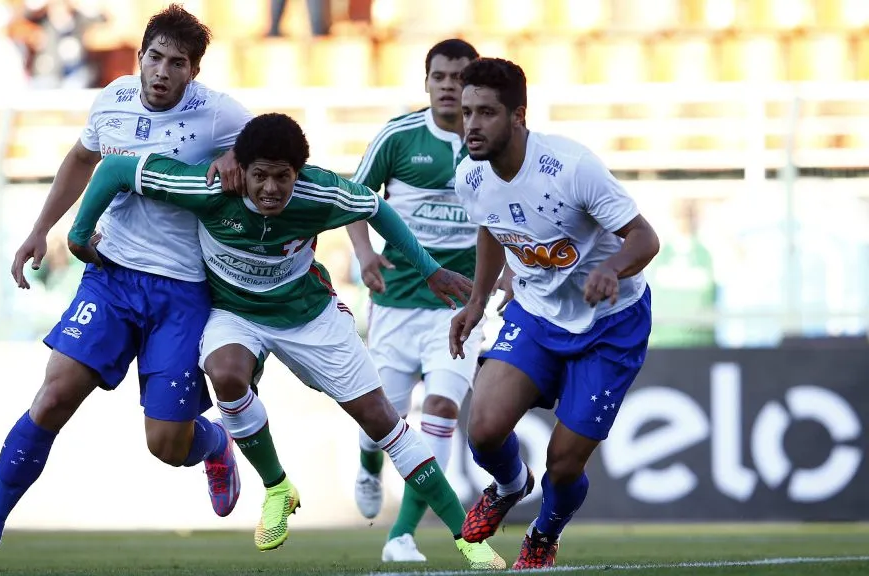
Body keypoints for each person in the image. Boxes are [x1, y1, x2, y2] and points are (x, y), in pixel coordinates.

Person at [66, 113, 507, 570]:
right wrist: (79, 235)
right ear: (242, 169)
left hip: (308, 315)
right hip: (235, 313)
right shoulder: (209, 187)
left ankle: (467, 539)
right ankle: (277, 486)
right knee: (226, 374)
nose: (271, 188)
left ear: (300, 173)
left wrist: (429, 269)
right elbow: (116, 170)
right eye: (260, 176)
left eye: (283, 177)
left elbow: (376, 208)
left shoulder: (322, 191)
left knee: (381, 420)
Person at [0, 6, 252, 572]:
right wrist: (41, 230)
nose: (162, 71)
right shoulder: (111, 99)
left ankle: (214, 446)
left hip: (183, 293)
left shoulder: (219, 115)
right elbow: (83, 158)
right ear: (139, 58)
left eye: (176, 63)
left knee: (166, 444)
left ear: (193, 73)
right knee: (54, 395)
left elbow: (270, 149)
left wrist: (240, 153)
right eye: (154, 57)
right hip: (110, 277)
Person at [448, 58, 660, 569]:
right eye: (467, 112)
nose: (472, 125)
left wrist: (611, 268)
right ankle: (508, 486)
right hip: (538, 313)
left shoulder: (571, 167)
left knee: (563, 467)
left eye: (487, 113)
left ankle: (545, 533)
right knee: (483, 429)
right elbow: (490, 228)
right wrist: (476, 302)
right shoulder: (470, 177)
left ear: (519, 116)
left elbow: (645, 237)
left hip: (611, 322)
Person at [346, 38, 483, 563]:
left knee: (443, 409)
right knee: (382, 418)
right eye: (440, 77)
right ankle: (368, 463)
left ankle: (401, 535)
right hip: (397, 305)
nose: (449, 86)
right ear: (426, 82)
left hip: (461, 309)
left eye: (459, 78)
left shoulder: (488, 141)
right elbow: (353, 201)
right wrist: (365, 256)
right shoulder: (399, 137)